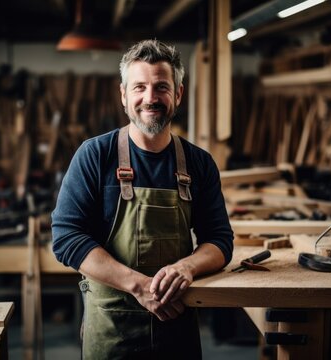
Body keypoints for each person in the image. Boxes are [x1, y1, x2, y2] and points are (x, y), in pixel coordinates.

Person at [51, 39, 234, 359]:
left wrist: (187, 268)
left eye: (161, 87)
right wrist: (139, 286)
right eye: (139, 87)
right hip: (111, 333)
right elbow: (66, 238)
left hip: (176, 331)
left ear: (178, 94)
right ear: (123, 95)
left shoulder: (199, 164)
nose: (150, 98)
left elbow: (220, 240)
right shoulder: (95, 156)